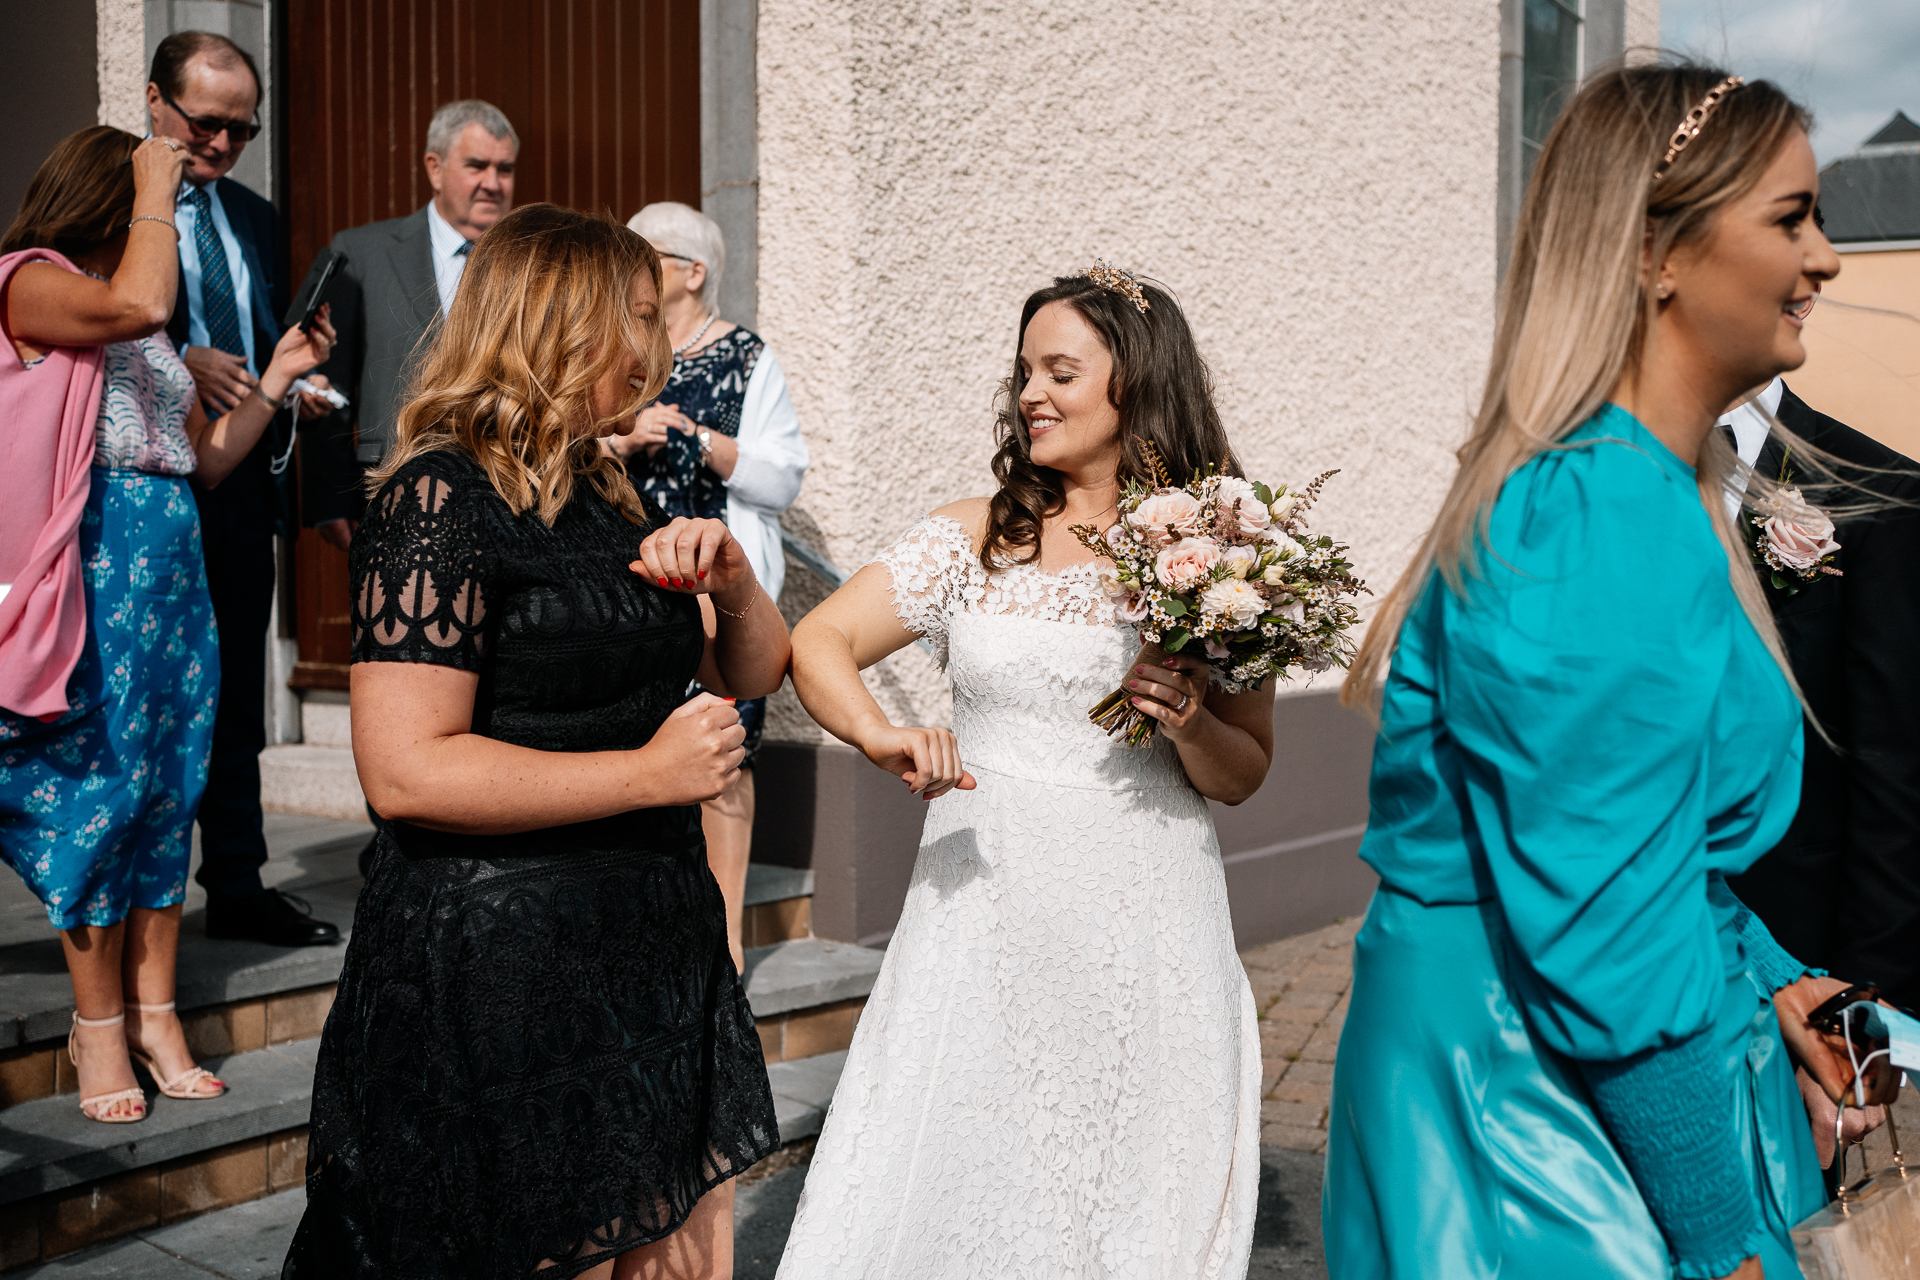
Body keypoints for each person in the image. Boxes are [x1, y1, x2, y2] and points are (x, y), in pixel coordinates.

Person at [1324, 63, 1897, 1280]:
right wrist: (1721, 1241)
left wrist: (1776, 977)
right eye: (1791, 218)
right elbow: (1607, 931)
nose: (1827, 261)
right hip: (1532, 1096)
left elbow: (1634, 848)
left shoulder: (1644, 488)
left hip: (1582, 1050)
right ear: (1659, 252)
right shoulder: (1597, 514)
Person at [283, 205, 790, 1280]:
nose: (659, 346)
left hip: (640, 944)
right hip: (504, 965)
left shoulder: (605, 489)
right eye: (638, 318)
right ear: (558, 326)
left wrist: (735, 584)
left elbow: (750, 672)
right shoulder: (438, 500)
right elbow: (406, 769)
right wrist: (648, 772)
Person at [777, 267, 1269, 1277]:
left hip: (1144, 911)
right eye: (1024, 373)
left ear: (1136, 384)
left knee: (1124, 1179)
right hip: (983, 905)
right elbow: (819, 641)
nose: (1030, 394)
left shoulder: (1222, 553)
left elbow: (1245, 766)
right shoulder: (976, 534)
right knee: (959, 1155)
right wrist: (882, 735)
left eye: (1060, 371)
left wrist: (1184, 719)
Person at [0, 126, 333, 1122]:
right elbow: (138, 297)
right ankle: (96, 1028)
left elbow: (210, 459)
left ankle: (155, 1012)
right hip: (90, 571)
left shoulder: (139, 328)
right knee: (92, 793)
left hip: (172, 575)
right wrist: (154, 178)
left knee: (165, 791)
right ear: (115, 195)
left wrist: (275, 375)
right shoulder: (30, 279)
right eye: (156, 190)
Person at [146, 31, 342, 947]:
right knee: (146, 699)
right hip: (142, 493)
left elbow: (265, 340)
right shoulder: (110, 205)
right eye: (206, 123)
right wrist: (176, 353)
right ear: (154, 102)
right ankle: (132, 898)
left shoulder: (255, 217)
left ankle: (236, 882)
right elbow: (73, 321)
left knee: (234, 701)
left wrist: (292, 378)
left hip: (239, 490)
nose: (222, 145)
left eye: (242, 129)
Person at [612, 200, 808, 972]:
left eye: (645, 253)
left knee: (724, 756)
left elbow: (782, 476)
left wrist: (700, 438)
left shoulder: (747, 357)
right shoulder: (619, 346)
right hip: (630, 573)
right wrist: (622, 437)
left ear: (691, 273)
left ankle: (722, 944)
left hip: (712, 584)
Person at [304, 97, 520, 550]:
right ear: (434, 168)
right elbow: (327, 384)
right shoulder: (361, 253)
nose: (493, 183)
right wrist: (329, 498)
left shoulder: (531, 263)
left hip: (511, 496)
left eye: (505, 169)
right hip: (392, 490)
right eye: (477, 166)